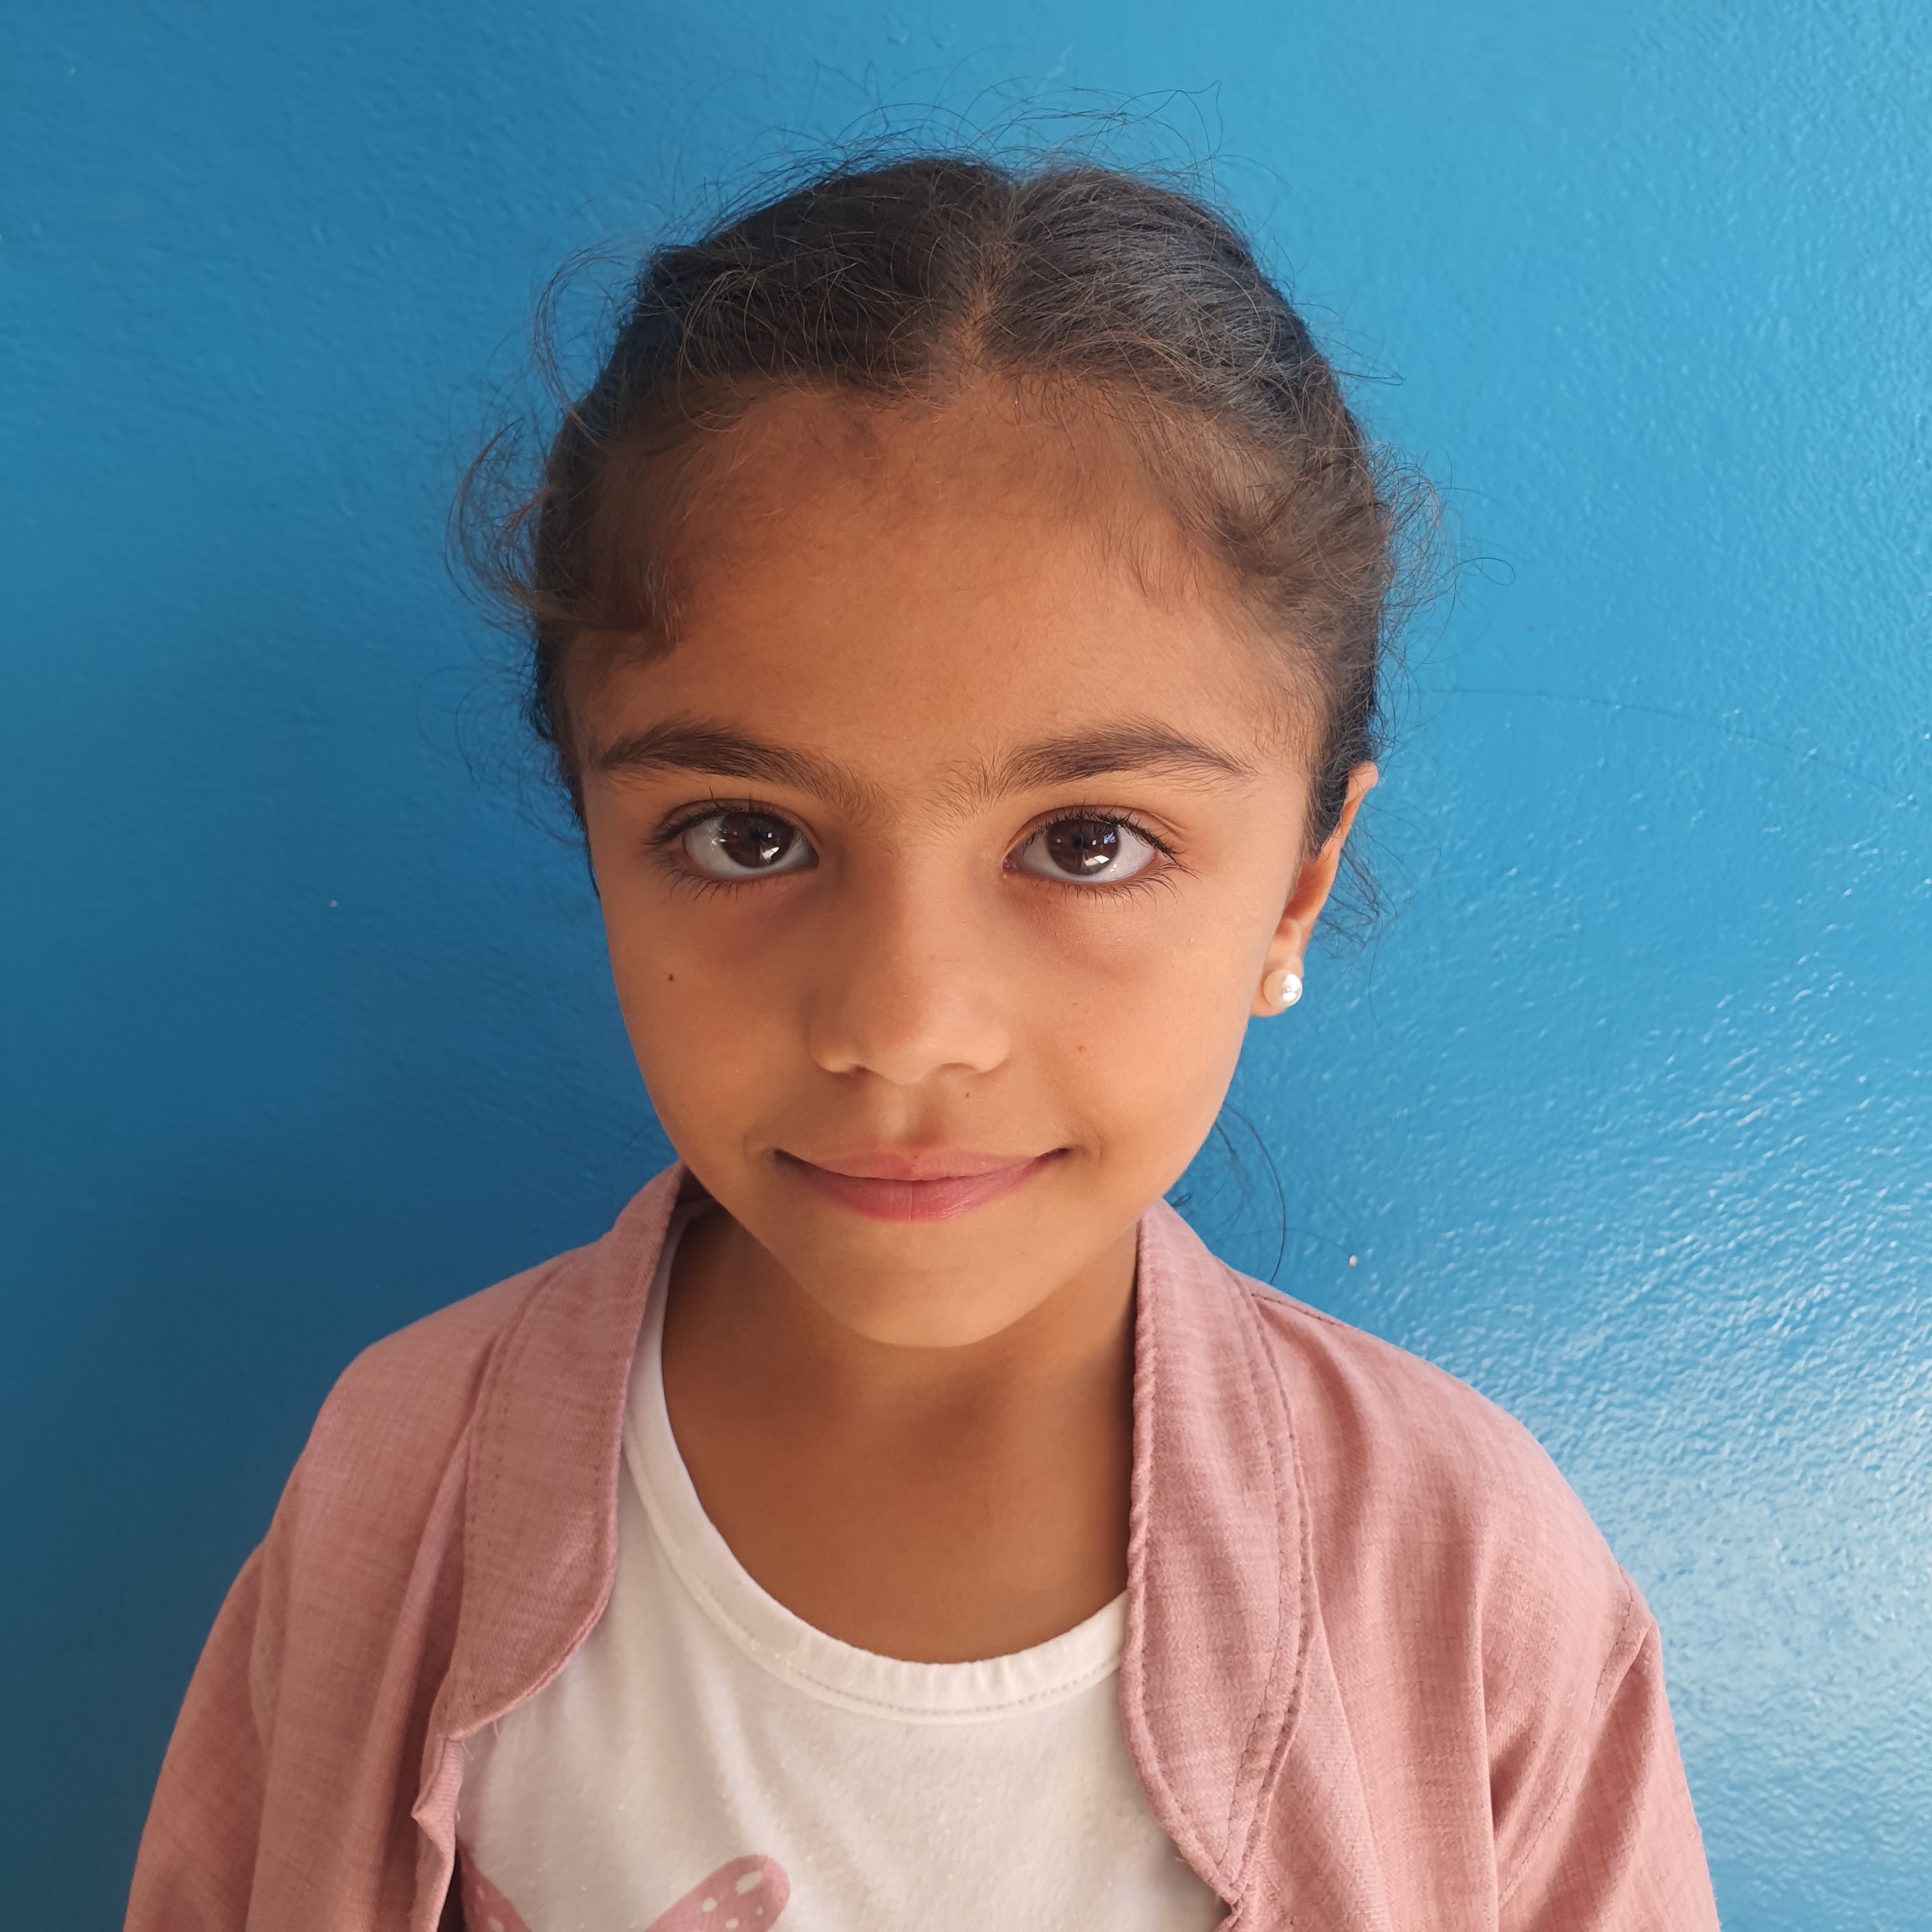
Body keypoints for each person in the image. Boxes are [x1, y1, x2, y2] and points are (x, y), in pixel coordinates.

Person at [126, 152, 1719, 1932]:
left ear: (1295, 889)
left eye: (1086, 844)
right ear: (595, 840)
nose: (902, 1029)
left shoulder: (1470, 1576)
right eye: (747, 836)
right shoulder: (401, 1476)